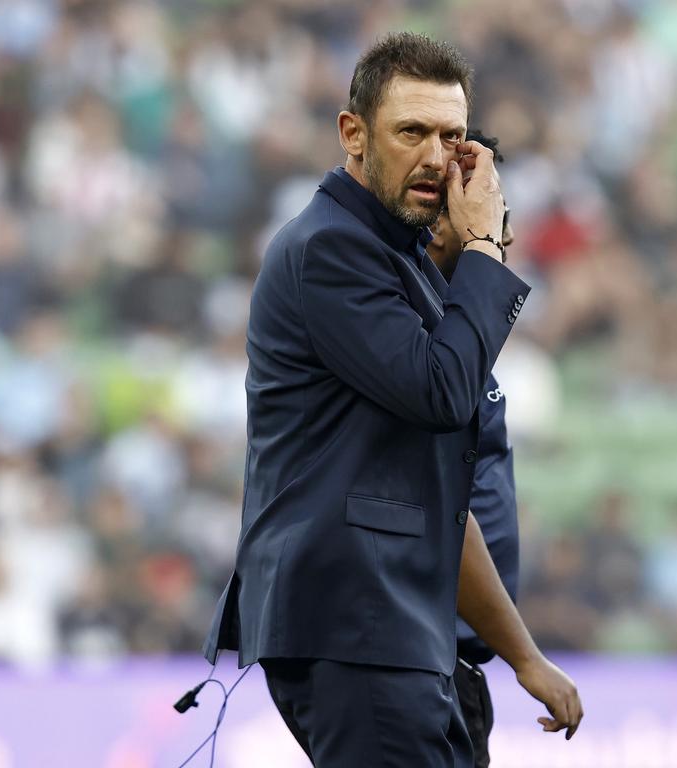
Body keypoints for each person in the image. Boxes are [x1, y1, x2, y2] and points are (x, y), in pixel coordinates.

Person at [203, 32, 582, 766]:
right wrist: (483, 253)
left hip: (401, 634)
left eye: (452, 137)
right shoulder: (333, 249)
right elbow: (441, 391)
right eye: (411, 132)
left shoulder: (395, 262)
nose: (437, 157)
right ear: (353, 134)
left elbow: (435, 499)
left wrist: (517, 653)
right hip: (361, 626)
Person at [426, 129, 517, 768]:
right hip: (426, 662)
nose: (501, 231)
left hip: (456, 667)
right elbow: (446, 518)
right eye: (483, 209)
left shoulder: (462, 345)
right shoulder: (417, 350)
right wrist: (529, 659)